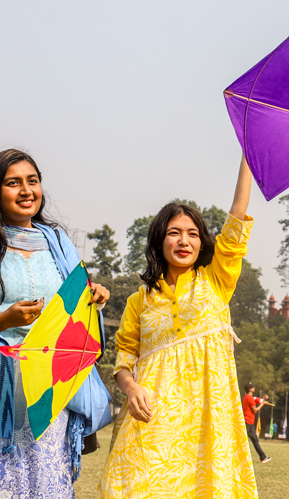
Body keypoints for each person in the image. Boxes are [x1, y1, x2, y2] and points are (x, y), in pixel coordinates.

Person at [0, 149, 113, 498]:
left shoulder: (59, 244)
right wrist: (2, 321)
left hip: (47, 389)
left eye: (33, 181)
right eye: (14, 183)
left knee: (46, 487)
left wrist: (94, 297)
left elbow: (75, 312)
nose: (27, 190)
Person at [100, 156, 258, 498]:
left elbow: (237, 215)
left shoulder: (216, 279)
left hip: (207, 418)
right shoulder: (139, 301)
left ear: (202, 242)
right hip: (152, 418)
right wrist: (131, 390)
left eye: (192, 234)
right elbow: (124, 358)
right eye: (174, 233)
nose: (184, 241)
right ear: (160, 240)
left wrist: (248, 152)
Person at [242, 382, 271, 463]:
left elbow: (255, 399)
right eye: (252, 387)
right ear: (249, 389)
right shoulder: (249, 398)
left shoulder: (246, 397)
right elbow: (255, 410)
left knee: (255, 440)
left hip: (249, 423)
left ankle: (263, 458)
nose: (254, 388)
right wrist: (262, 404)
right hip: (247, 422)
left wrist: (263, 399)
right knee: (242, 441)